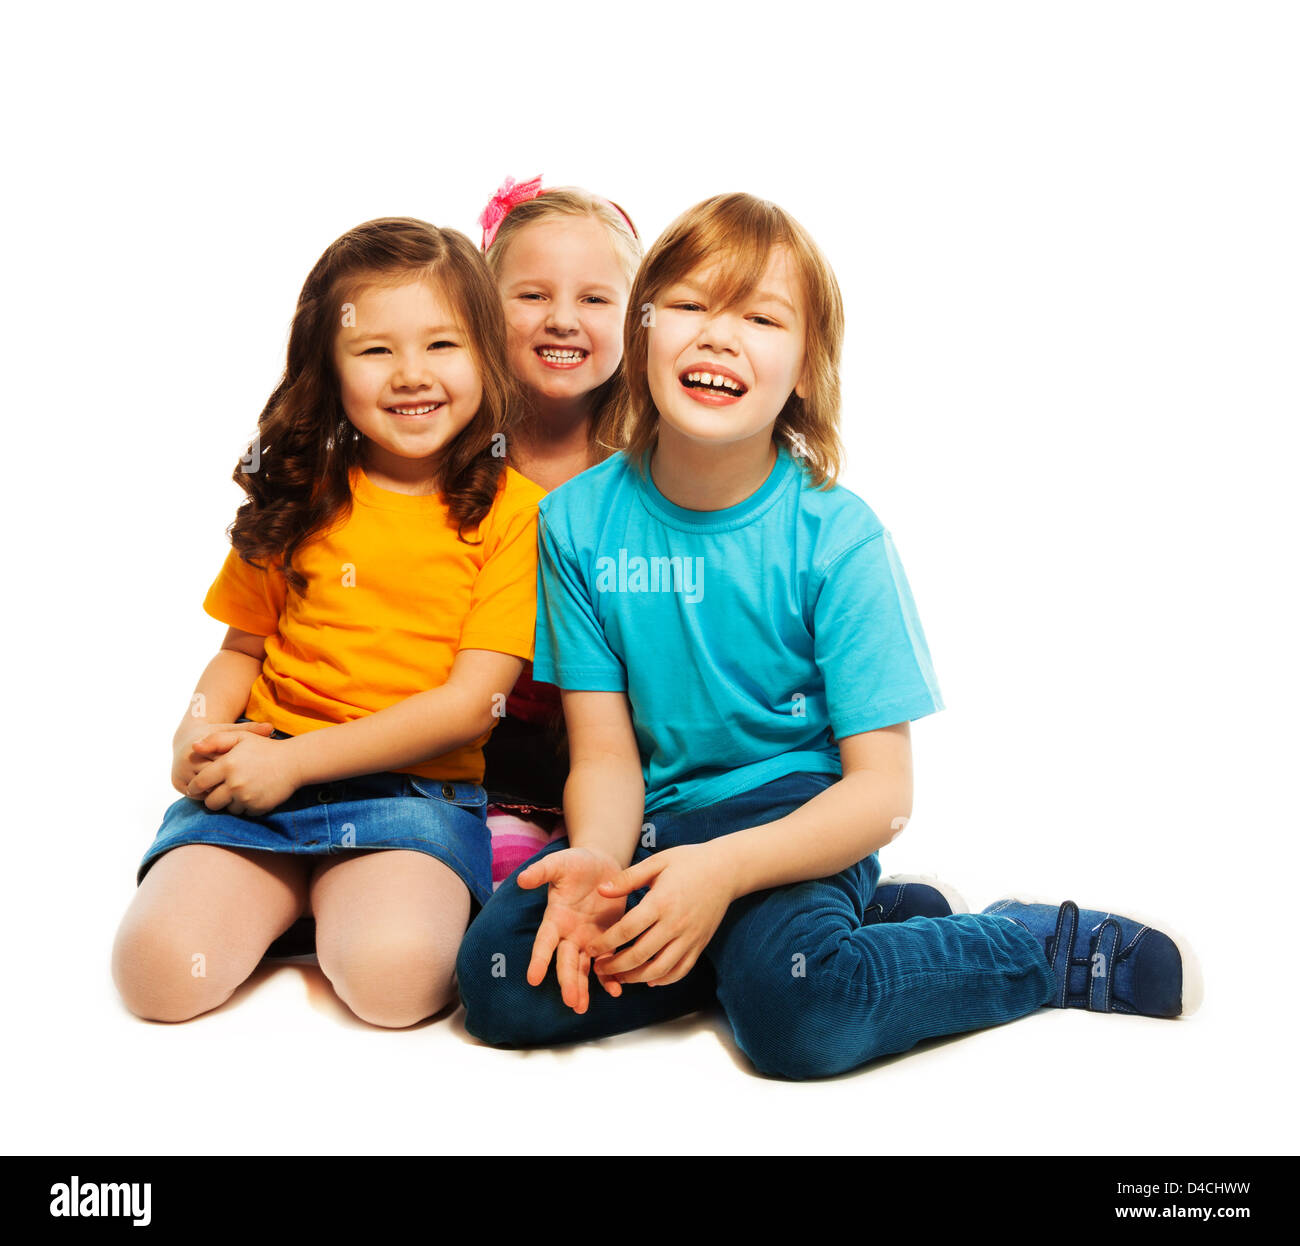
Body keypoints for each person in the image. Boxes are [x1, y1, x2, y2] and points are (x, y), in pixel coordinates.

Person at [454, 193, 1202, 1079]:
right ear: (642, 332)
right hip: (659, 829)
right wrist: (594, 865)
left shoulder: (837, 538)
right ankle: (809, 940)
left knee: (799, 1016)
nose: (719, 337)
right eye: (690, 306)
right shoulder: (576, 525)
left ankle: (1038, 949)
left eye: (761, 318)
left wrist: (724, 874)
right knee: (502, 982)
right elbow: (608, 756)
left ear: (805, 368)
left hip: (800, 818)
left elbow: (880, 792)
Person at [111, 217, 546, 1027]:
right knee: (157, 977)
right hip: (264, 776)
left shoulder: (515, 513)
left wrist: (299, 764)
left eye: (442, 346)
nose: (411, 375)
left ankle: (346, 901)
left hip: (414, 795)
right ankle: (296, 894)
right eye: (375, 348)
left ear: (487, 358)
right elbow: (240, 647)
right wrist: (193, 736)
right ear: (330, 366)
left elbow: (467, 702)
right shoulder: (304, 489)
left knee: (394, 985)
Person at [476, 176, 642, 886]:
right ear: (485, 310)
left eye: (595, 298)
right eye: (533, 294)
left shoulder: (651, 473)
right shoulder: (455, 457)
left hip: (616, 751)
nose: (562, 319)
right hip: (478, 746)